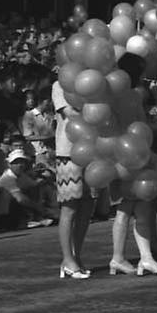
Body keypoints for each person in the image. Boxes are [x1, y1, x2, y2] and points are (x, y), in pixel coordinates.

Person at [107, 54, 157, 277]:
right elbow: (142, 126)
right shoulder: (132, 97)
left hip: (122, 157)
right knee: (133, 209)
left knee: (130, 209)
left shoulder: (113, 96)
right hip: (134, 157)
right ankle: (123, 258)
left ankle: (140, 258)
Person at [52, 77, 94, 278]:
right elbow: (69, 112)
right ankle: (67, 259)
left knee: (86, 206)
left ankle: (77, 256)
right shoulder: (59, 85)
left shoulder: (90, 82)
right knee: (69, 207)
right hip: (68, 152)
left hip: (91, 150)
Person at [0, 148, 58, 231]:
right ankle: (32, 219)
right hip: (2, 215)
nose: (20, 165)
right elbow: (21, 199)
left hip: (14, 210)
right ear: (9, 164)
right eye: (16, 162)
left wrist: (45, 179)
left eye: (22, 162)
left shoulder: (22, 175)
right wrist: (40, 208)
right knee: (21, 198)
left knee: (38, 188)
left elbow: (35, 185)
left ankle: (40, 216)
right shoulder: (7, 178)